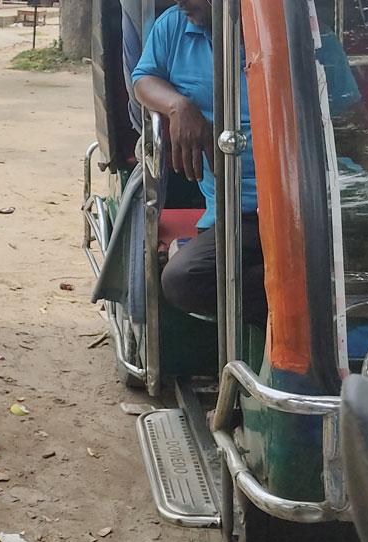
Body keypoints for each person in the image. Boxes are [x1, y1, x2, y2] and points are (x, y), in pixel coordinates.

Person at [131, 0, 266, 326]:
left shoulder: (292, 29)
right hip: (236, 215)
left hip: (305, 207)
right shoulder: (174, 25)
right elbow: (143, 78)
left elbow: (351, 120)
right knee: (182, 279)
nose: (180, 2)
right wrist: (178, 105)